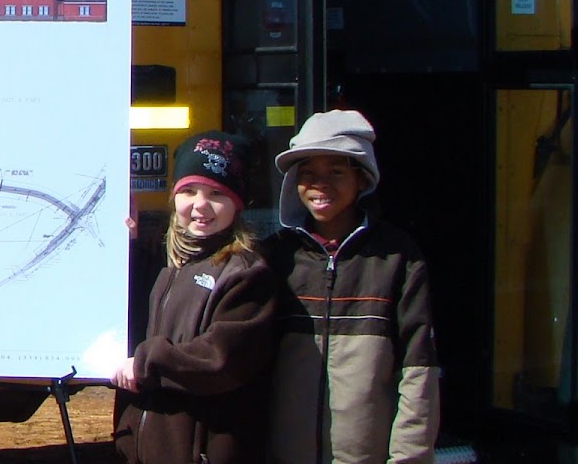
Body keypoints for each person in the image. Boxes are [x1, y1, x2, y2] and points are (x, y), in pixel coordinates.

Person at [264, 110, 439, 463]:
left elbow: (418, 369)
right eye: (308, 173)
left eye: (336, 172)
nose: (320, 184)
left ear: (362, 179)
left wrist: (409, 457)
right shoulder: (274, 256)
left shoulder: (397, 256)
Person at [111, 131, 277, 463]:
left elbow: (221, 360)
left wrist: (147, 364)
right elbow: (124, 319)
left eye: (217, 193)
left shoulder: (246, 272)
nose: (200, 205)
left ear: (238, 203)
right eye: (189, 191)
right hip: (141, 451)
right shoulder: (162, 262)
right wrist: (122, 248)